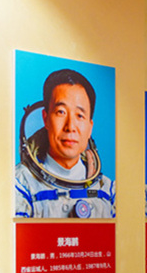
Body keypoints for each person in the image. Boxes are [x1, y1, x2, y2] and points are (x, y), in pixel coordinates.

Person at [15, 68, 115, 218]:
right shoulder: (21, 184)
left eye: (80, 115)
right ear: (45, 118)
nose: (70, 127)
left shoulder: (108, 191)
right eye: (61, 112)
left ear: (90, 128)